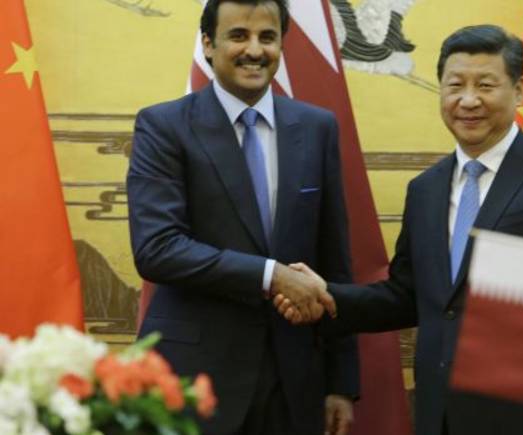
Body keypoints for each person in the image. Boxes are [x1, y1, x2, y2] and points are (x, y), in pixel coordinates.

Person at [276, 25, 523, 435]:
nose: (468, 100)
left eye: (485, 85)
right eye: (455, 85)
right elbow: (406, 296)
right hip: (442, 414)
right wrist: (327, 297)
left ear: (519, 90)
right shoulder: (425, 189)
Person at [126, 1, 357, 434]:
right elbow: (158, 249)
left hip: (293, 383)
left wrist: (340, 383)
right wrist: (272, 276)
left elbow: (334, 261)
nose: (254, 50)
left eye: (267, 37)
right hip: (193, 381)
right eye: (238, 36)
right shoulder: (163, 126)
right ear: (208, 44)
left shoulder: (317, 128)